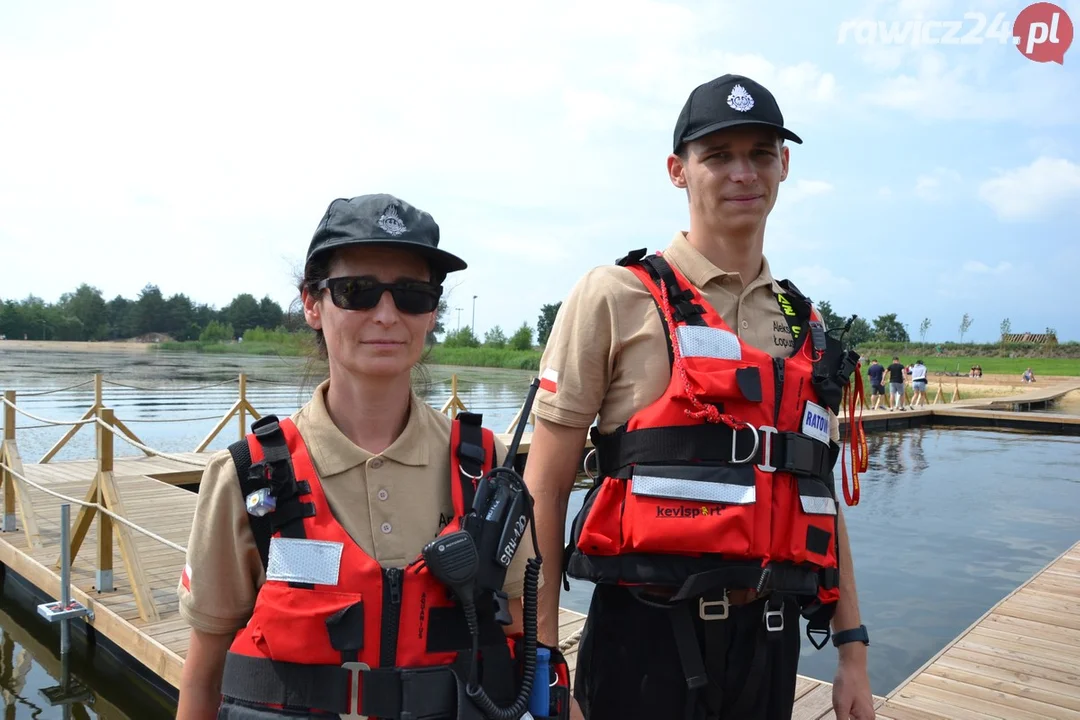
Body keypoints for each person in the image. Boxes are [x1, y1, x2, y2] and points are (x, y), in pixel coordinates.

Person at [524, 75, 874, 720]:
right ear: (678, 171)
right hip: (645, 633)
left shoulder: (804, 323)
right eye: (718, 156)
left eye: (761, 153)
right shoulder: (614, 294)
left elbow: (815, 490)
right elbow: (543, 490)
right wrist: (543, 658)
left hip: (770, 637)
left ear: (784, 165)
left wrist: (852, 651)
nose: (743, 173)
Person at [175, 194, 550, 720]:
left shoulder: (491, 469)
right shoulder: (245, 476)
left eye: (413, 294)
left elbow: (521, 635)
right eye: (358, 291)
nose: (387, 314)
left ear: (432, 311)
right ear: (312, 303)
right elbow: (203, 673)